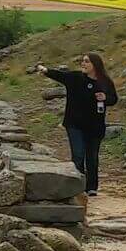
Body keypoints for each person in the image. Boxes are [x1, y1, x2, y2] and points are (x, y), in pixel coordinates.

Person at [37, 53, 118, 197]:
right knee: (78, 154)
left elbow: (114, 99)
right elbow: (60, 75)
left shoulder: (105, 82)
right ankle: (77, 186)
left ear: (95, 65)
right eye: (82, 61)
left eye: (87, 61)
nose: (83, 64)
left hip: (95, 126)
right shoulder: (76, 78)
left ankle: (91, 187)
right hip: (74, 124)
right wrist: (46, 70)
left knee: (92, 157)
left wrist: (105, 98)